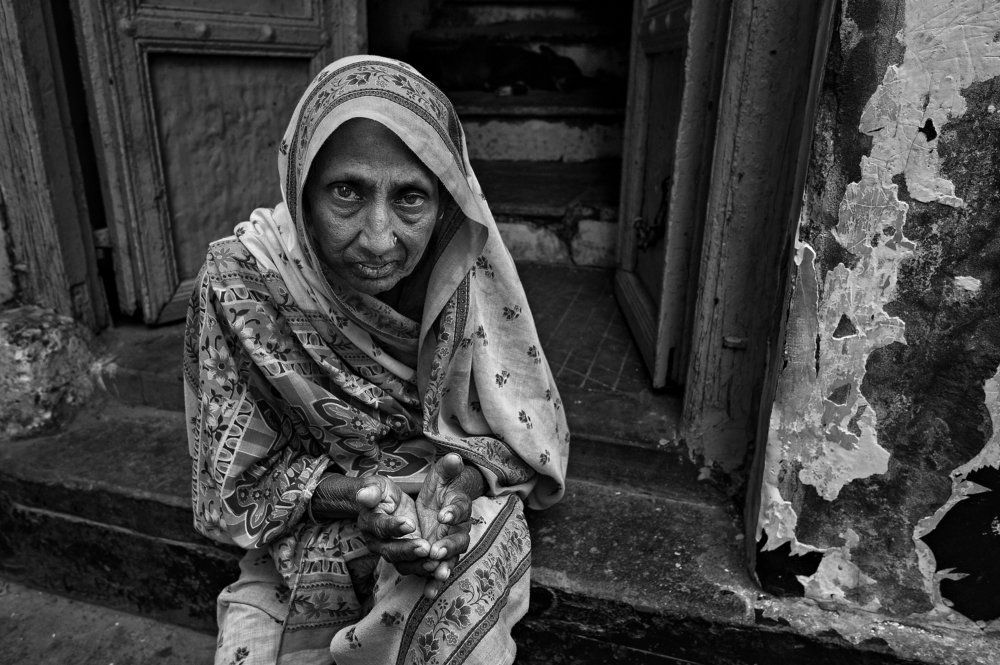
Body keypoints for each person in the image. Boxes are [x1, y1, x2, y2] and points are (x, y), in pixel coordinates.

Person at [183, 54, 569, 665]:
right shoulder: (243, 281)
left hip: (434, 510)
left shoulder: (463, 270)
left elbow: (526, 435)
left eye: (411, 197)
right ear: (301, 189)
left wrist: (460, 490)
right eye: (347, 192)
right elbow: (231, 485)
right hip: (305, 527)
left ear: (445, 201)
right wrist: (359, 495)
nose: (379, 237)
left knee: (456, 574)